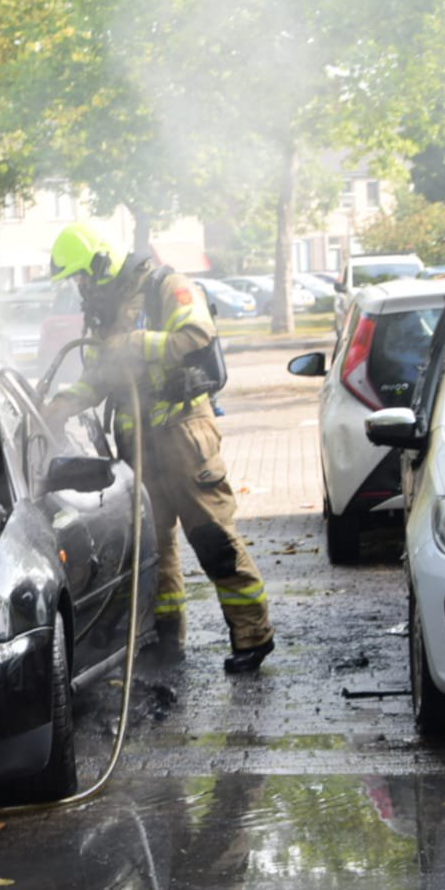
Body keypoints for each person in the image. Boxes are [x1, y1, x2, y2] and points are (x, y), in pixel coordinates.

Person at [42, 223, 275, 675]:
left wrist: (135, 343)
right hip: (140, 447)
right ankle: (165, 639)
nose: (80, 287)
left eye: (81, 277)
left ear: (100, 263)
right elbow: (101, 376)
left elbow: (196, 336)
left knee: (212, 536)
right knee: (154, 547)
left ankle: (253, 635)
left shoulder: (166, 286)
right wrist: (62, 404)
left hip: (185, 435)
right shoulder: (104, 311)